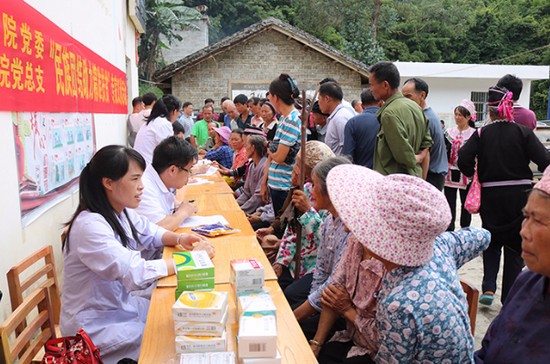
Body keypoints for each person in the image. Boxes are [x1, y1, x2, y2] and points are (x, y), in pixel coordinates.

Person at [59, 145, 213, 364]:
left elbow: (150, 232)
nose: (141, 187)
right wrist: (191, 259)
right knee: (165, 341)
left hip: (118, 306)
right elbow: (134, 271)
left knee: (172, 314)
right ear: (108, 183)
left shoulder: (120, 212)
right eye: (134, 180)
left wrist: (179, 239)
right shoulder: (89, 225)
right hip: (94, 328)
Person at [327, 164, 491, 363]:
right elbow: (483, 235)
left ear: (379, 240)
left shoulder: (398, 303)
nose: (348, 230)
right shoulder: (440, 247)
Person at [458, 85, 550, 305]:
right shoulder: (523, 132)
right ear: (509, 107)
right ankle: (509, 298)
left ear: (489, 111)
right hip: (519, 196)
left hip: (491, 196)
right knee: (514, 248)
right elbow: (545, 160)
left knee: (492, 240)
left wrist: (473, 174)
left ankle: (488, 288)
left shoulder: (481, 133)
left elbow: (463, 159)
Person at [475, 167, 550, 363]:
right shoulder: (527, 281)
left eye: (539, 221)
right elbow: (486, 351)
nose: (524, 231)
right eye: (526, 217)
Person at [291, 157, 351, 333]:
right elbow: (321, 267)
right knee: (291, 296)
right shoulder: (329, 221)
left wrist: (302, 312)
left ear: (329, 190)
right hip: (326, 288)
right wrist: (312, 301)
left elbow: (335, 281)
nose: (312, 190)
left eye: (315, 185)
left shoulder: (348, 229)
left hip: (339, 298)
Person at [271, 141, 334, 291]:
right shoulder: (305, 189)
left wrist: (308, 212)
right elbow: (292, 229)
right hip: (294, 261)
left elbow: (326, 242)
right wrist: (281, 261)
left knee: (290, 294)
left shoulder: (331, 198)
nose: (296, 169)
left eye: (300, 165)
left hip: (315, 266)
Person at [368, 61, 432, 177]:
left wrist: (414, 159)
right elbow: (427, 141)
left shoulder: (389, 113)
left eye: (372, 84)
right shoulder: (416, 107)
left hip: (395, 182)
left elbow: (403, 155)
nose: (370, 89)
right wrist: (421, 156)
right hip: (414, 177)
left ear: (385, 85)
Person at [134, 136, 198, 232]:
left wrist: (179, 205)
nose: (189, 176)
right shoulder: (143, 188)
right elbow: (159, 228)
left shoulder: (161, 179)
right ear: (173, 170)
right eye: (188, 170)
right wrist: (184, 212)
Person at [260, 73, 302, 216]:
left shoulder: (292, 120)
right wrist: (264, 182)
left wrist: (269, 148)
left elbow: (279, 157)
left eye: (270, 98)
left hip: (284, 184)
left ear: (276, 97)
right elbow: (274, 154)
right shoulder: (284, 119)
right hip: (276, 183)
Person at [402, 78, 448, 190]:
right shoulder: (429, 115)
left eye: (408, 96)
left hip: (429, 177)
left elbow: (424, 154)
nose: (404, 101)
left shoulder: (425, 119)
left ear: (422, 95)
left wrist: (421, 185)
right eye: (403, 97)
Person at [444, 100, 477, 231]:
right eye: (456, 114)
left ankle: (465, 231)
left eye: (461, 115)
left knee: (465, 205)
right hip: (450, 173)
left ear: (469, 117)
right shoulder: (448, 132)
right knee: (449, 203)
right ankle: (449, 231)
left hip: (467, 173)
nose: (457, 118)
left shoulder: (474, 134)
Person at [134, 94, 181, 164]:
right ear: (174, 111)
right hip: (148, 167)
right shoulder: (164, 124)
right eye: (179, 111)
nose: (179, 114)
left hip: (140, 164)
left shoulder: (152, 122)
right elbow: (170, 153)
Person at [342, 89, 380, 168]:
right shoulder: (388, 119)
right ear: (381, 102)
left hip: (361, 174)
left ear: (362, 105)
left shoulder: (352, 123)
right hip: (384, 175)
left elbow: (347, 156)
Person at [318, 82, 355, 156]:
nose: (318, 103)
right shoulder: (336, 116)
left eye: (319, 99)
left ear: (327, 99)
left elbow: (346, 149)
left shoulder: (340, 118)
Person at [236, 134, 268, 214]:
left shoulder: (265, 167)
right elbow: (247, 193)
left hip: (260, 211)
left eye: (246, 145)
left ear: (253, 148)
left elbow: (258, 198)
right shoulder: (251, 166)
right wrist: (234, 205)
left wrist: (240, 211)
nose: (245, 148)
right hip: (251, 207)